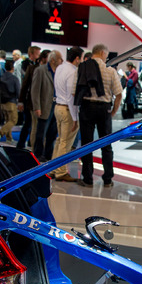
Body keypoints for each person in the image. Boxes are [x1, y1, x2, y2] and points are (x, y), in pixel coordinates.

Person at [75, 43, 122, 187]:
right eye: (106, 55)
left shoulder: (82, 67)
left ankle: (88, 179)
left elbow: (75, 90)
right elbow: (119, 94)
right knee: (106, 145)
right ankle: (108, 179)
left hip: (87, 107)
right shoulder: (110, 70)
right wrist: (112, 112)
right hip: (104, 109)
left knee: (86, 145)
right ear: (102, 53)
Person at [51, 46, 84, 182]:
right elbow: (72, 96)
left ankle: (53, 169)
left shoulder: (60, 68)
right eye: (81, 58)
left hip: (58, 106)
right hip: (67, 110)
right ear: (77, 58)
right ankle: (61, 172)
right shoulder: (72, 71)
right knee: (65, 142)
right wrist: (75, 117)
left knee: (60, 141)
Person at [31, 50, 63, 161]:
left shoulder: (59, 72)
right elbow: (35, 90)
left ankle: (48, 155)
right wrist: (37, 107)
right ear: (53, 60)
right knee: (41, 133)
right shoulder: (40, 70)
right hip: (44, 106)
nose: (62, 61)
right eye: (60, 59)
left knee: (52, 133)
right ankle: (38, 154)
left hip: (56, 105)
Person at [16, 45, 42, 150]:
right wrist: (21, 101)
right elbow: (24, 85)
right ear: (31, 54)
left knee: (31, 124)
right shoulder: (26, 65)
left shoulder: (36, 66)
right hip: (28, 100)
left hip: (32, 100)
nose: (38, 56)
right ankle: (21, 144)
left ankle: (30, 143)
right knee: (28, 124)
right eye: (37, 54)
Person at [0, 59, 20, 143]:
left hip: (3, 103)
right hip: (11, 102)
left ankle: (9, 138)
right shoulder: (14, 79)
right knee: (13, 120)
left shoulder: (1, 77)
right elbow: (18, 91)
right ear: (13, 68)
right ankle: (0, 132)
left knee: (7, 120)